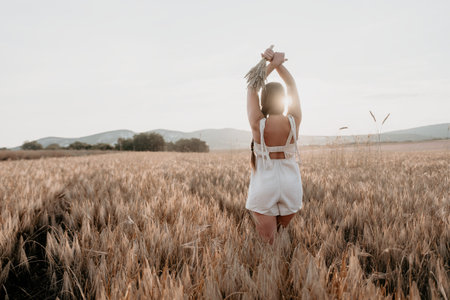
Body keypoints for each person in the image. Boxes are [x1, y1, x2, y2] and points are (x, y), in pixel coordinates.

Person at [245, 47, 303, 245]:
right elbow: (291, 85)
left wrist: (269, 64)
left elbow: (252, 87)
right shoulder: (294, 121)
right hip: (291, 185)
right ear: (283, 100)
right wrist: (279, 65)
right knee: (281, 239)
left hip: (265, 185)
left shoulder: (258, 123)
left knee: (269, 246)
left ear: (264, 100)